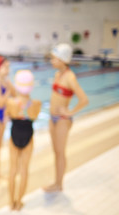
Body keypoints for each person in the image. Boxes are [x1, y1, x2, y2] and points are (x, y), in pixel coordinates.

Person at [43, 43, 89, 192]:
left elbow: (84, 100)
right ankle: (57, 183)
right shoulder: (58, 74)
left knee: (60, 152)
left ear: (63, 59)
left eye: (54, 58)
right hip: (53, 118)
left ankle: (59, 184)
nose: (52, 61)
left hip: (62, 120)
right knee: (56, 152)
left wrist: (70, 112)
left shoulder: (70, 77)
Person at [6, 70, 41, 210]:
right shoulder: (36, 104)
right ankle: (19, 202)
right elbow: (35, 118)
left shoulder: (11, 102)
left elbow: (8, 116)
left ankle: (11, 202)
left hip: (15, 133)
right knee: (24, 169)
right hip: (28, 134)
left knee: (13, 169)